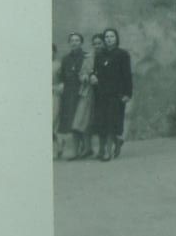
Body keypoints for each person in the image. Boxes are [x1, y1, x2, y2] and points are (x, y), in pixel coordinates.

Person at [90, 28, 133, 162]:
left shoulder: (122, 54)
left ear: (116, 38)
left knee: (111, 122)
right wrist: (92, 76)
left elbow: (127, 75)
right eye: (107, 37)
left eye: (112, 36)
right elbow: (95, 71)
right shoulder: (100, 55)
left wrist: (127, 93)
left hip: (116, 93)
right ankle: (103, 149)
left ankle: (107, 152)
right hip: (101, 92)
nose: (109, 39)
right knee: (101, 122)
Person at [56, 32, 88, 160]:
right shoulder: (66, 59)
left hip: (82, 92)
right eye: (72, 40)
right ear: (69, 43)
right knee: (72, 121)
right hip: (69, 94)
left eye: (77, 40)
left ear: (81, 42)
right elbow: (62, 76)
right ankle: (76, 150)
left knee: (82, 120)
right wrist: (61, 83)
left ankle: (86, 148)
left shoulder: (86, 57)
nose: (74, 42)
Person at [72, 32, 103, 158]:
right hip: (88, 92)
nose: (97, 46)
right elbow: (82, 73)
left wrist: (99, 78)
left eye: (99, 43)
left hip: (102, 92)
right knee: (81, 120)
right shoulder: (88, 58)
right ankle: (87, 148)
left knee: (101, 121)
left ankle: (103, 149)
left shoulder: (108, 56)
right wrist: (85, 77)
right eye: (94, 44)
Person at [52, 43, 63, 158]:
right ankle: (58, 145)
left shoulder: (58, 65)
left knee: (53, 122)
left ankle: (58, 147)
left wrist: (59, 87)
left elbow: (63, 81)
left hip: (54, 95)